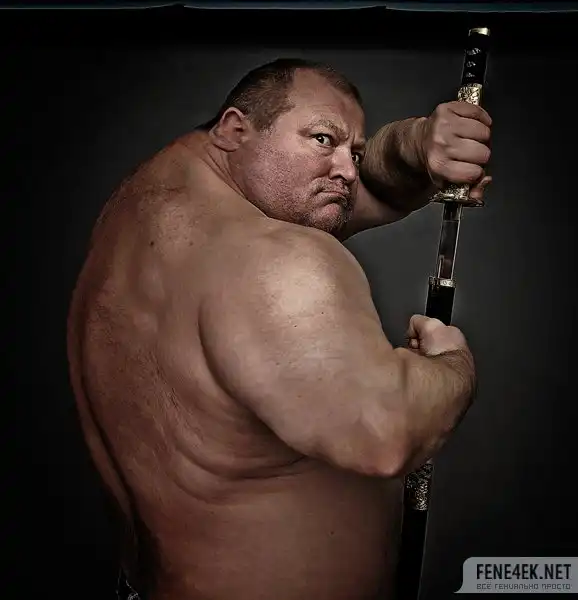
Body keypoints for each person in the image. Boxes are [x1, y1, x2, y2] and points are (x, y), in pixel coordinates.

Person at [67, 58, 492, 600]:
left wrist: (417, 142)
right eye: (322, 140)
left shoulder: (140, 207)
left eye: (355, 153)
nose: (347, 171)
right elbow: (385, 434)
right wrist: (452, 364)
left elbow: (372, 190)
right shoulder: (277, 258)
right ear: (234, 129)